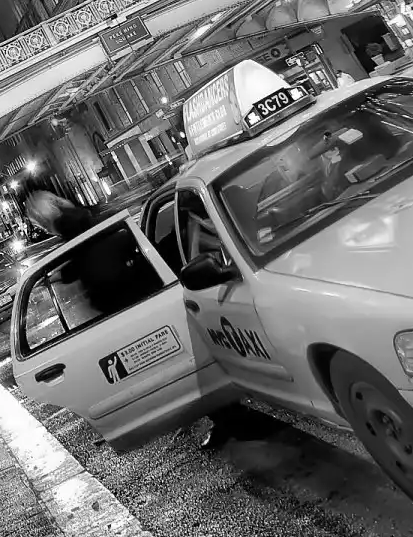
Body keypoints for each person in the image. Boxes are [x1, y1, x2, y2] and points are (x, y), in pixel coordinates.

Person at [25, 191, 251, 451]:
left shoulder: (75, 229)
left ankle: (231, 416)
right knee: (184, 360)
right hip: (144, 296)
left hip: (138, 300)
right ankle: (226, 414)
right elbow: (98, 254)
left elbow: (99, 265)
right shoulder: (86, 221)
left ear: (49, 214)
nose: (44, 228)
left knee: (181, 359)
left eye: (41, 222)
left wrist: (75, 271)